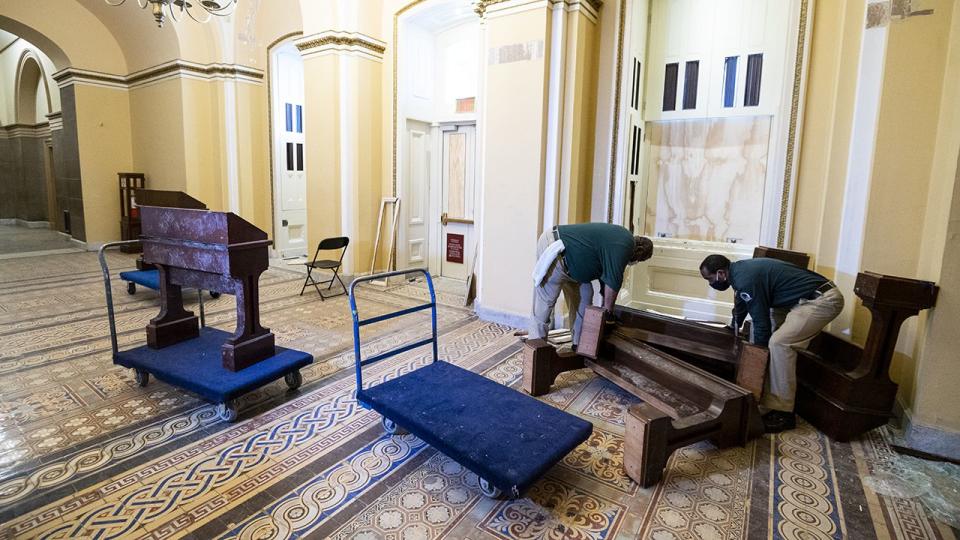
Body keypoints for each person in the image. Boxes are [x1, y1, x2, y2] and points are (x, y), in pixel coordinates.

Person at [699, 254, 844, 433]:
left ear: (721, 273)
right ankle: (767, 400)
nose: (710, 283)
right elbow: (741, 305)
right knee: (764, 335)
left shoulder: (744, 278)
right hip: (796, 300)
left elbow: (761, 323)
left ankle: (784, 413)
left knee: (779, 343)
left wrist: (758, 355)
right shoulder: (738, 272)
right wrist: (733, 328)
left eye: (710, 278)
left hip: (822, 300)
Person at [529, 223, 654, 349]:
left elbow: (605, 278)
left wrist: (604, 306)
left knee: (586, 294)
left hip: (573, 262)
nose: (634, 263)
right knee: (544, 305)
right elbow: (613, 283)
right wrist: (608, 314)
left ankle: (579, 345)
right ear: (639, 253)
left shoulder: (620, 240)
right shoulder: (625, 246)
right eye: (639, 260)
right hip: (556, 249)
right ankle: (536, 348)